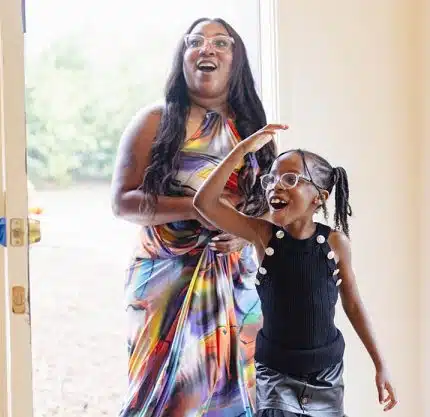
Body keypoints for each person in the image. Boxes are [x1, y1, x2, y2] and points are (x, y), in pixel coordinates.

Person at [111, 17, 276, 417]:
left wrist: (241, 233)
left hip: (236, 279)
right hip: (165, 279)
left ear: (235, 61)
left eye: (221, 43)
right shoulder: (155, 120)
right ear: (182, 58)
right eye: (196, 41)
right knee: (165, 395)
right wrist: (205, 207)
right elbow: (123, 201)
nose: (208, 48)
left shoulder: (252, 128)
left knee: (237, 396)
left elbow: (267, 204)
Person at [193, 125, 398, 416]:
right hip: (276, 375)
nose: (275, 186)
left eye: (290, 179)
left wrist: (380, 364)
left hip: (327, 376)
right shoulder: (262, 236)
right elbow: (204, 202)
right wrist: (242, 151)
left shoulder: (335, 243)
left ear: (319, 197)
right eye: (272, 179)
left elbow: (352, 303)